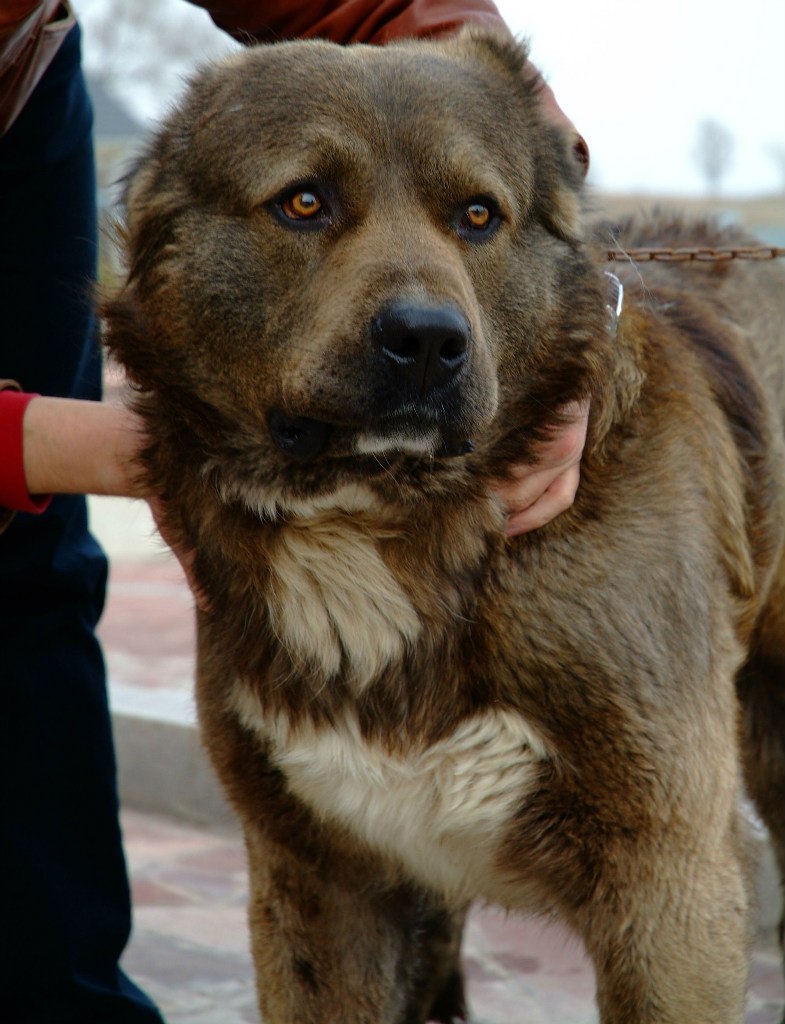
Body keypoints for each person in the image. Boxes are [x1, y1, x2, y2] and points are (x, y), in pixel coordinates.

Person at [0, 3, 588, 1022]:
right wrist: (97, 446)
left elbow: (372, 12)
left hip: (19, 62)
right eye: (308, 203)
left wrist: (545, 197)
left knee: (29, 570)